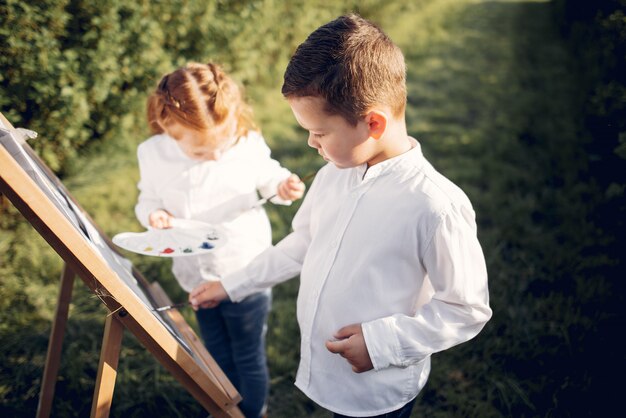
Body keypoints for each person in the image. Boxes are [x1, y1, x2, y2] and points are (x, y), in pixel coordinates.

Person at [189, 14, 492, 418]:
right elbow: (301, 243)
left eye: (319, 132)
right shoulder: (335, 175)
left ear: (373, 123)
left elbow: (465, 307)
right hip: (330, 373)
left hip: (378, 386)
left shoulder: (435, 206)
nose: (311, 143)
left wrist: (382, 344)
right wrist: (232, 284)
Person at [134, 62, 305, 418]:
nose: (213, 156)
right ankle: (224, 408)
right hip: (195, 274)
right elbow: (147, 198)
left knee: (247, 352)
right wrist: (153, 215)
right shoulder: (153, 155)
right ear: (168, 126)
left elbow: (269, 177)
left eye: (219, 146)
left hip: (246, 269)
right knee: (214, 351)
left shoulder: (245, 142)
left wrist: (282, 186)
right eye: (199, 153)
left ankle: (252, 411)